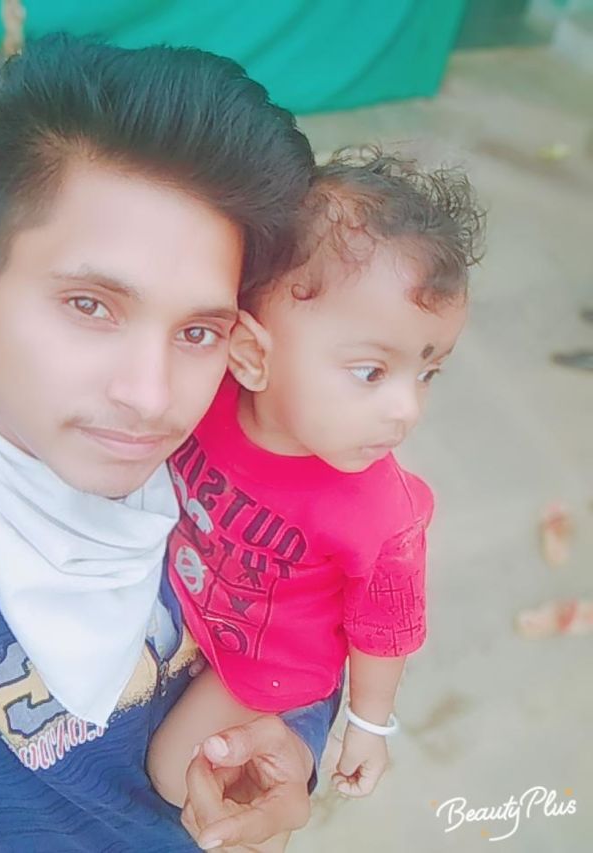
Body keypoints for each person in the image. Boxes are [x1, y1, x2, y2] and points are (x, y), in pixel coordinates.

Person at [0, 33, 340, 853]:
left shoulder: (251, 486)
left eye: (198, 331)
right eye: (91, 305)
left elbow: (307, 627)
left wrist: (291, 744)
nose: (151, 397)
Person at [147, 151, 485, 819]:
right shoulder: (205, 397)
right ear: (251, 353)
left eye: (426, 374)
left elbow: (383, 631)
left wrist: (369, 724)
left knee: (173, 774)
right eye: (371, 372)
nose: (406, 410)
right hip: (182, 591)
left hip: (268, 666)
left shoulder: (381, 515)